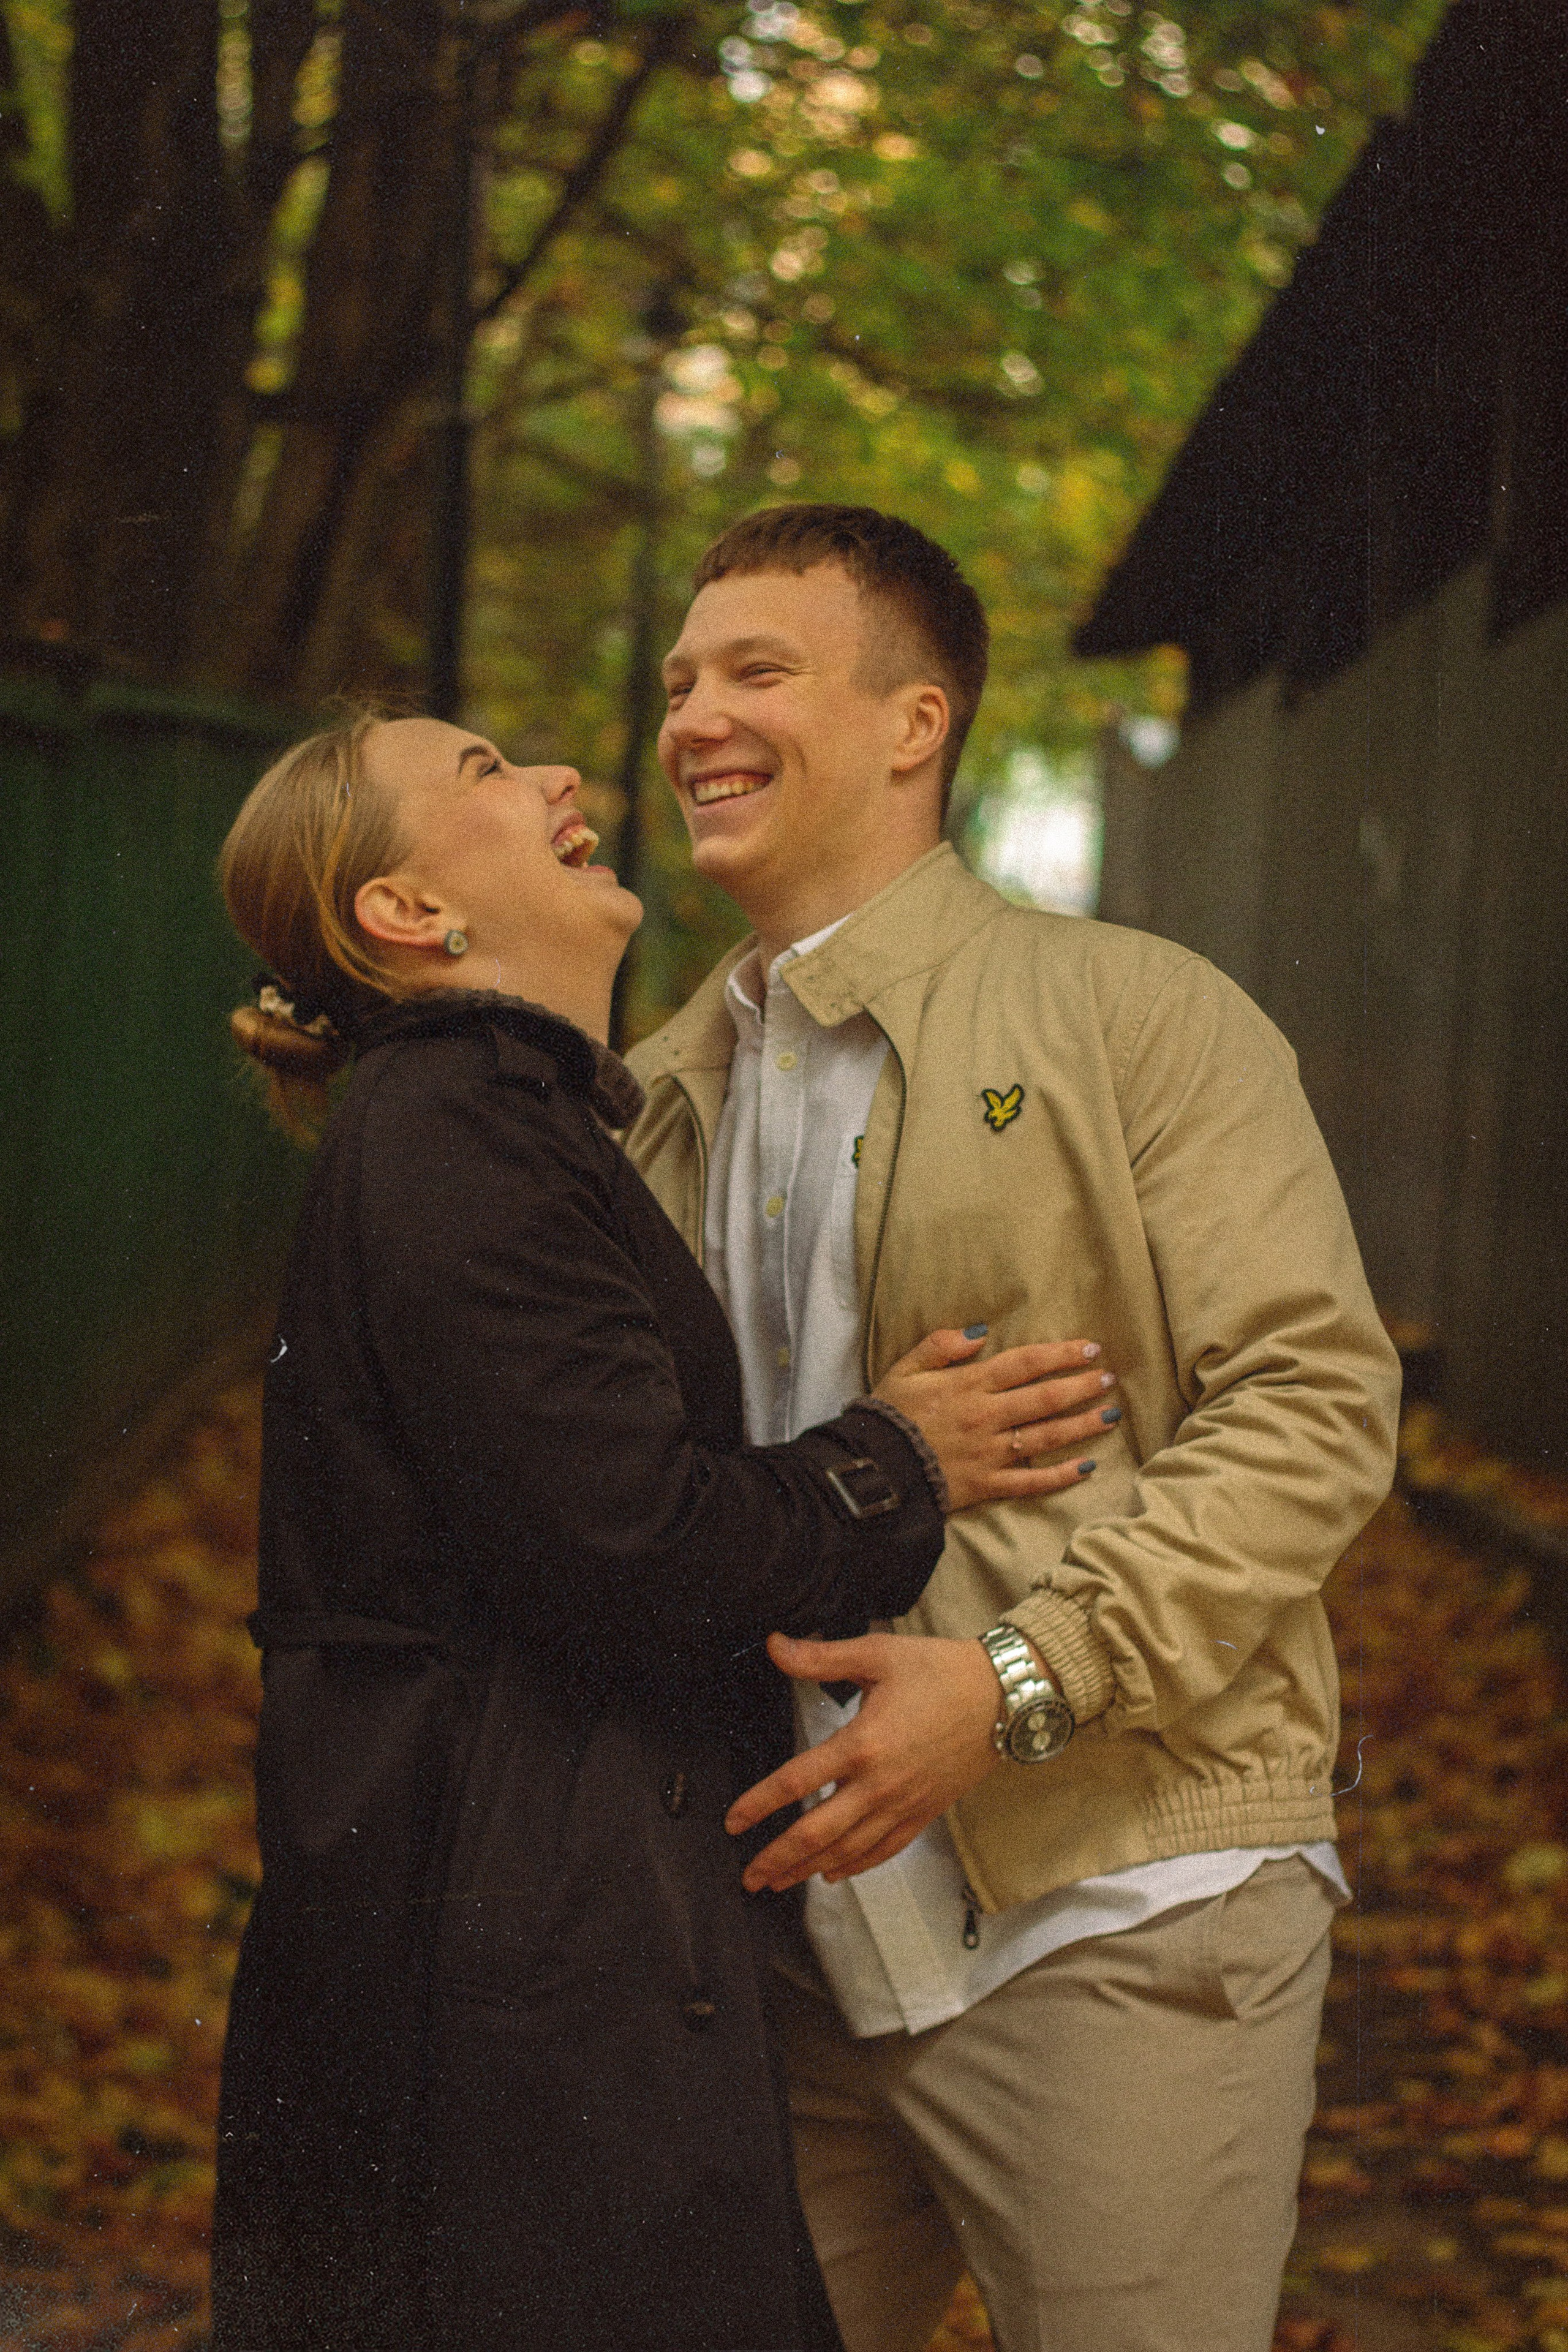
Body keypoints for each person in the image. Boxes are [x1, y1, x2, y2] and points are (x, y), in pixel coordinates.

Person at [207, 706, 1111, 2352]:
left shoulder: (502, 1121)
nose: (558, 776)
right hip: (512, 1966)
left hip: (510, 1920)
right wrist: (896, 1458)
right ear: (409, 918)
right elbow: (639, 1549)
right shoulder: (462, 1132)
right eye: (484, 774)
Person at [621, 504, 1404, 2352]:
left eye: (757, 672)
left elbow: (1313, 1404)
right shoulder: (657, 1095)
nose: (693, 719)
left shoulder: (1139, 1017)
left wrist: (1016, 1681)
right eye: (679, 682)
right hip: (781, 1946)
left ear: (916, 723)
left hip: (1116, 1908)